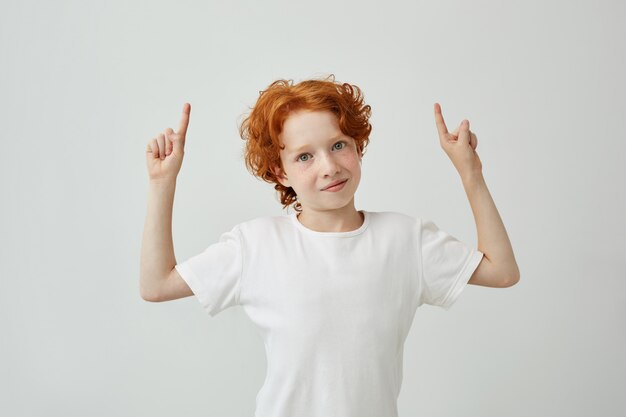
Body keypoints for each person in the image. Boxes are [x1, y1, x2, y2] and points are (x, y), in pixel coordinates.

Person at [140, 74, 520, 417]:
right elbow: (157, 285)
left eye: (339, 145)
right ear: (280, 171)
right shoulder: (256, 245)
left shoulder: (405, 240)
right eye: (305, 156)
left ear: (358, 146)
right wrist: (162, 183)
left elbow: (502, 271)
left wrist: (471, 171)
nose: (329, 166)